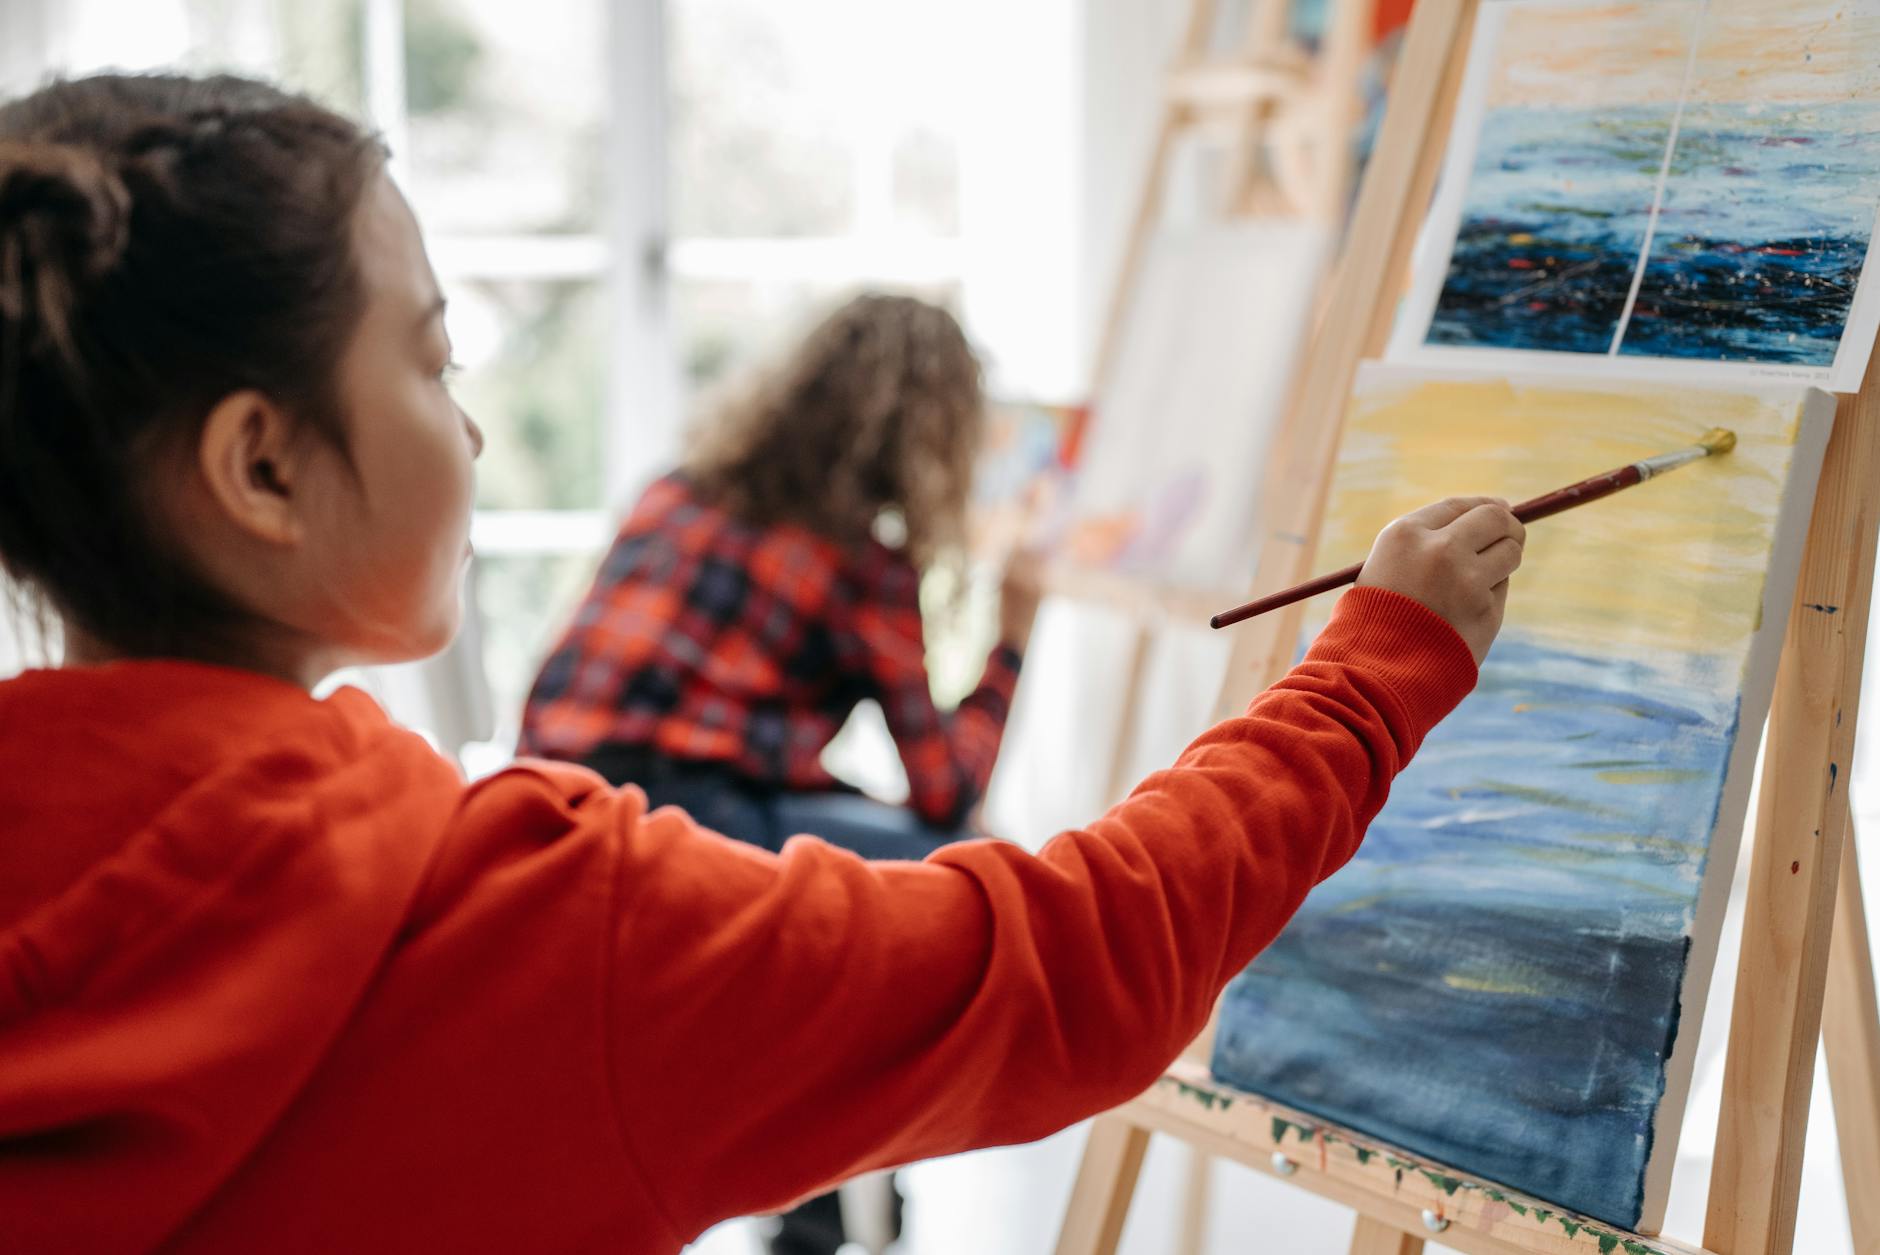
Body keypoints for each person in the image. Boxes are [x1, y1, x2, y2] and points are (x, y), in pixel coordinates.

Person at [0, 72, 1525, 1254]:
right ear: (262, 468)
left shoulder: (683, 496)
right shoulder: (553, 932)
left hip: (572, 767)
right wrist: (1376, 662)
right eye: (433, 358)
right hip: (666, 843)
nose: (466, 426)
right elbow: (1063, 946)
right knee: (938, 849)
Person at [519, 293, 1041, 872]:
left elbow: (710, 739)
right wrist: (1014, 635)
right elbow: (947, 792)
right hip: (683, 817)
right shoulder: (862, 568)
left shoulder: (677, 490)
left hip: (546, 796)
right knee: (989, 865)